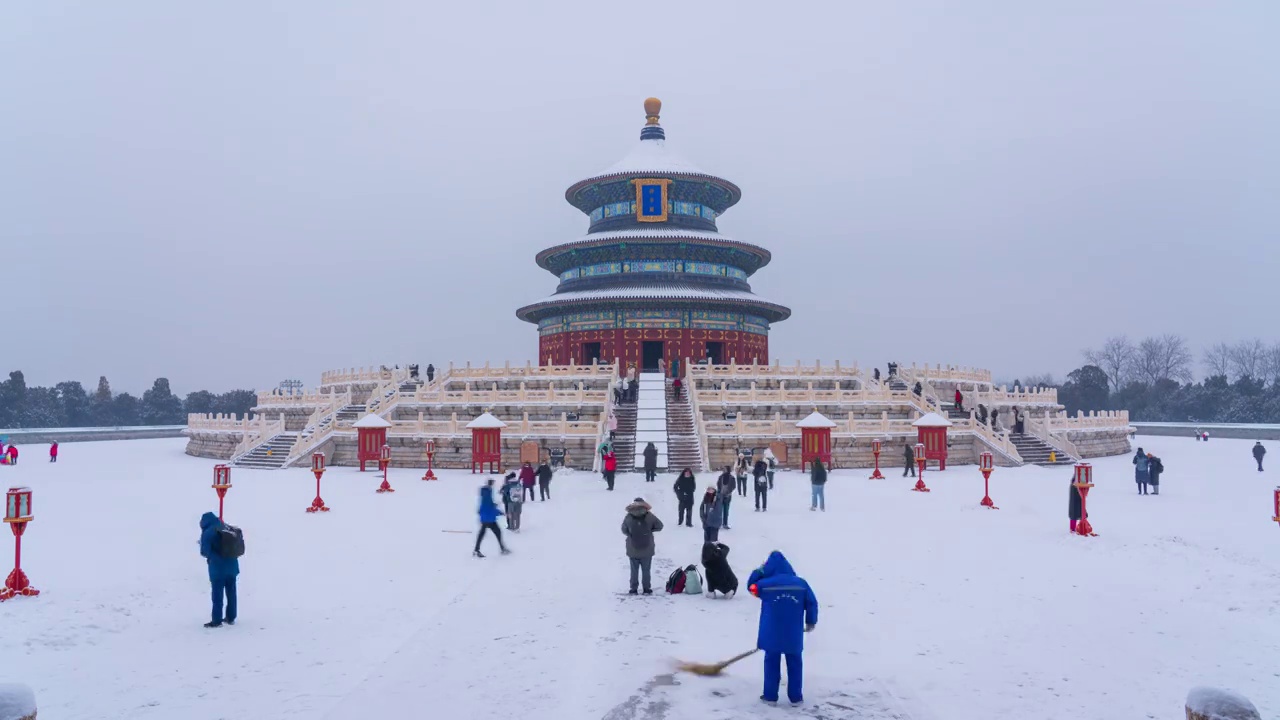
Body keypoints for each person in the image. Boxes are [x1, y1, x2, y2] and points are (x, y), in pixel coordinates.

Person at [748, 551, 818, 706]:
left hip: (771, 633)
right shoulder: (801, 584)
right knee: (795, 663)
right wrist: (811, 621)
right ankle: (796, 697)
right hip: (793, 634)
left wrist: (759, 571)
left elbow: (750, 586)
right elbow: (812, 602)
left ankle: (770, 696)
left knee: (771, 662)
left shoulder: (764, 585)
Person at [198, 511, 239, 628]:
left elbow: (204, 551)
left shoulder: (207, 532)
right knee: (231, 593)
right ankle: (231, 617)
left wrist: (213, 557)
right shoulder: (225, 526)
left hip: (218, 569)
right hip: (232, 567)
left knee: (217, 594)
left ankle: (216, 620)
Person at [621, 497, 664, 595]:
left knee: (634, 570)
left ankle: (633, 589)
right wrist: (649, 530)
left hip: (633, 548)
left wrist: (631, 534)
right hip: (647, 548)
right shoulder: (649, 516)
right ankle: (646, 589)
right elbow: (660, 526)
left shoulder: (629, 516)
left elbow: (624, 529)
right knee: (646, 570)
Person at [473, 478, 509, 557]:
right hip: (489, 519)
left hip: (484, 518)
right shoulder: (488, 493)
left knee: (482, 533)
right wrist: (501, 513)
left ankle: (476, 549)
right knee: (497, 532)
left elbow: (486, 506)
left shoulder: (484, 494)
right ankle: (502, 548)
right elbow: (491, 509)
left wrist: (493, 505)